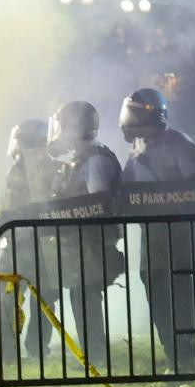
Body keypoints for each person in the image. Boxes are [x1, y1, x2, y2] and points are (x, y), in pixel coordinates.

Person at [119, 88, 195, 372]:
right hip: (152, 237)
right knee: (157, 298)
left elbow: (193, 187)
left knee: (181, 299)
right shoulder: (137, 148)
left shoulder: (181, 145)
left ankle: (188, 359)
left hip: (178, 235)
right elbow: (127, 185)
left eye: (135, 113)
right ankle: (172, 354)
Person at [44, 100, 124, 369]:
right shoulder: (83, 158)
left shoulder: (96, 160)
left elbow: (95, 204)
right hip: (82, 243)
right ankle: (92, 352)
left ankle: (96, 355)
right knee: (80, 296)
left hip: (91, 243)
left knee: (86, 297)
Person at [0, 120, 60, 364]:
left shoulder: (51, 170)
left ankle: (38, 348)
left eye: (22, 142)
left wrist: (13, 219)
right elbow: (6, 202)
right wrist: (0, 221)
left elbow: (47, 208)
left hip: (42, 246)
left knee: (43, 300)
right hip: (13, 245)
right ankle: (8, 352)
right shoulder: (15, 170)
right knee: (6, 299)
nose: (17, 148)